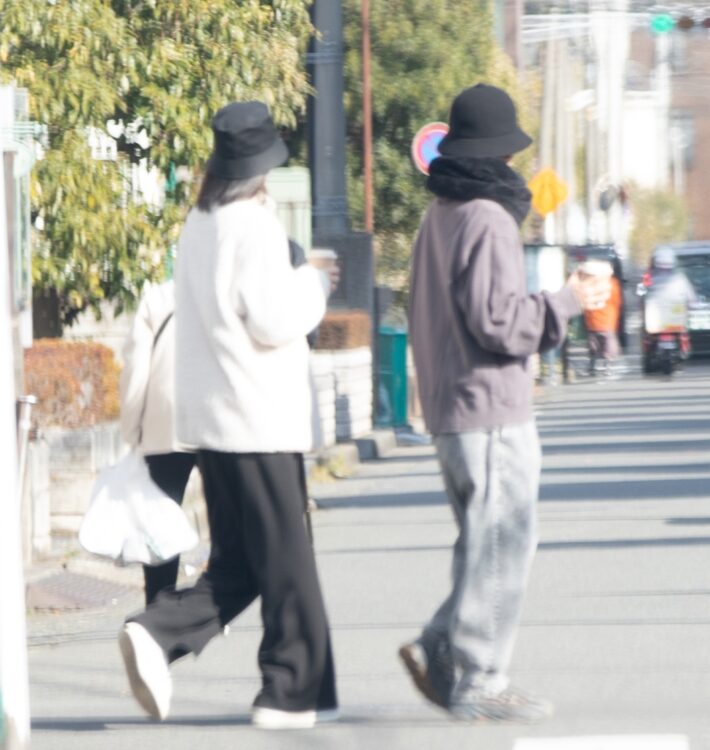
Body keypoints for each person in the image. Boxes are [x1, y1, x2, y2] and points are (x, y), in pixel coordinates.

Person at [117, 101, 339, 730]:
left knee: (242, 563)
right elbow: (271, 318)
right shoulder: (255, 226)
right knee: (289, 564)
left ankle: (159, 632)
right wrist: (314, 285)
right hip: (260, 420)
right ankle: (287, 690)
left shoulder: (199, 224)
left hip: (212, 425)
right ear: (262, 169)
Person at [401, 83, 610, 724]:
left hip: (449, 405)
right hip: (488, 404)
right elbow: (498, 320)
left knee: (482, 540)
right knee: (506, 541)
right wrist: (567, 302)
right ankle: (482, 677)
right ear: (500, 156)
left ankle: (440, 643)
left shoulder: (439, 217)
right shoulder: (487, 217)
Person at [119, 279, 197, 605]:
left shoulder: (158, 297)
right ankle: (213, 604)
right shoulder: (222, 289)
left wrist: (132, 429)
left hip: (164, 423)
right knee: (229, 522)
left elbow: (136, 371)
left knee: (160, 523)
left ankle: (157, 611)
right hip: (218, 420)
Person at [583, 271, 622, 376]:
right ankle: (608, 365)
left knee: (593, 345)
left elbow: (585, 300)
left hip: (592, 320)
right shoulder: (612, 284)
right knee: (608, 344)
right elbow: (617, 301)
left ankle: (592, 365)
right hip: (608, 320)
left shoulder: (589, 284)